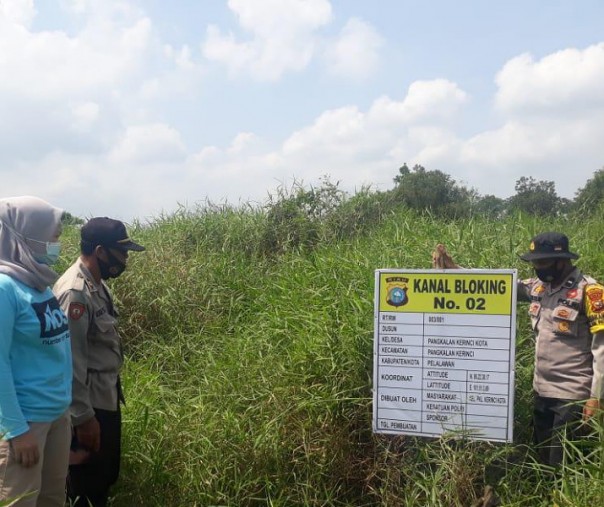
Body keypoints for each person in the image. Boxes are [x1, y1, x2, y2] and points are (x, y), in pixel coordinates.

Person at [433, 232, 604, 466]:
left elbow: (601, 350)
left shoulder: (590, 292)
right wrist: (456, 270)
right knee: (544, 463)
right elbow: (498, 285)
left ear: (562, 260)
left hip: (573, 396)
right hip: (541, 392)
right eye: (534, 263)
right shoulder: (537, 288)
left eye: (542, 263)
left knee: (563, 466)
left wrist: (596, 397)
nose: (537, 269)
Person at [53, 217, 144, 506]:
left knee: (104, 476)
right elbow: (69, 360)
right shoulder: (75, 291)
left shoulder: (97, 285)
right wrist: (83, 417)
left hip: (104, 397)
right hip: (89, 406)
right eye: (123, 252)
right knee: (86, 487)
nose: (126, 259)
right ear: (101, 251)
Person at [0, 196, 72, 507]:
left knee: (52, 500)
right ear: (26, 236)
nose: (57, 243)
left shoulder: (39, 283)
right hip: (27, 422)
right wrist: (17, 430)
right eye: (53, 236)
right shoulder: (5, 289)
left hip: (57, 415)